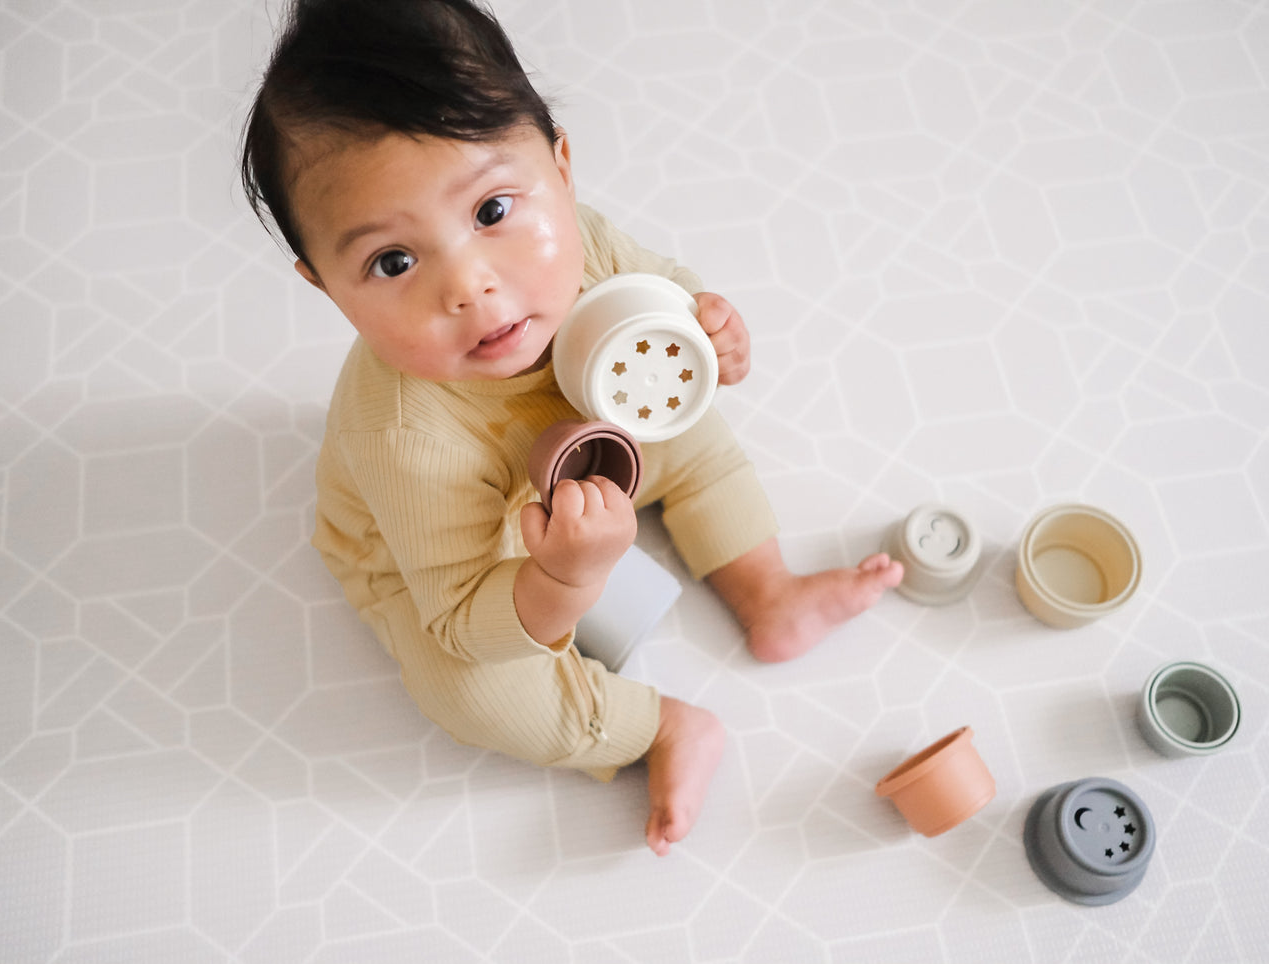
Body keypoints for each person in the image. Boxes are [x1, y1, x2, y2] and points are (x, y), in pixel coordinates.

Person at [240, 0, 904, 856]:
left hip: (600, 436)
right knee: (469, 692)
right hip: (468, 560)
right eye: (392, 261)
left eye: (490, 212)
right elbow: (460, 621)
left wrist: (713, 334)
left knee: (697, 445)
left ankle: (766, 590)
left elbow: (667, 293)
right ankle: (656, 728)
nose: (470, 285)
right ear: (325, 285)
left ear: (559, 167)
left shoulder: (587, 245)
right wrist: (562, 576)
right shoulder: (407, 437)